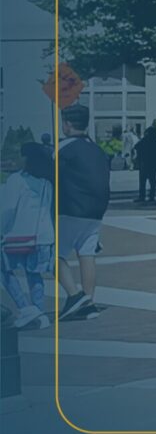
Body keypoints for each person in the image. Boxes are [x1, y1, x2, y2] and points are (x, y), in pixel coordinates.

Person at [55, 104, 109, 321]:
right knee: (87, 255)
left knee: (52, 254)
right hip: (96, 212)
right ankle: (89, 301)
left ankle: (74, 296)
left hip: (70, 209)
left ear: (67, 125)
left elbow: (49, 174)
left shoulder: (64, 148)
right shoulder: (98, 150)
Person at [1, 142, 56, 330]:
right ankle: (38, 310)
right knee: (34, 274)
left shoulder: (17, 180)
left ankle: (26, 309)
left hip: (18, 235)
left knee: (4, 271)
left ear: (27, 158)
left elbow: (8, 209)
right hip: (43, 236)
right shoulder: (47, 181)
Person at [134, 126, 156, 204]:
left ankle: (142, 196)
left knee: (143, 181)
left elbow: (136, 147)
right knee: (152, 181)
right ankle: (151, 196)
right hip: (153, 164)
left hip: (144, 163)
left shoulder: (145, 140)